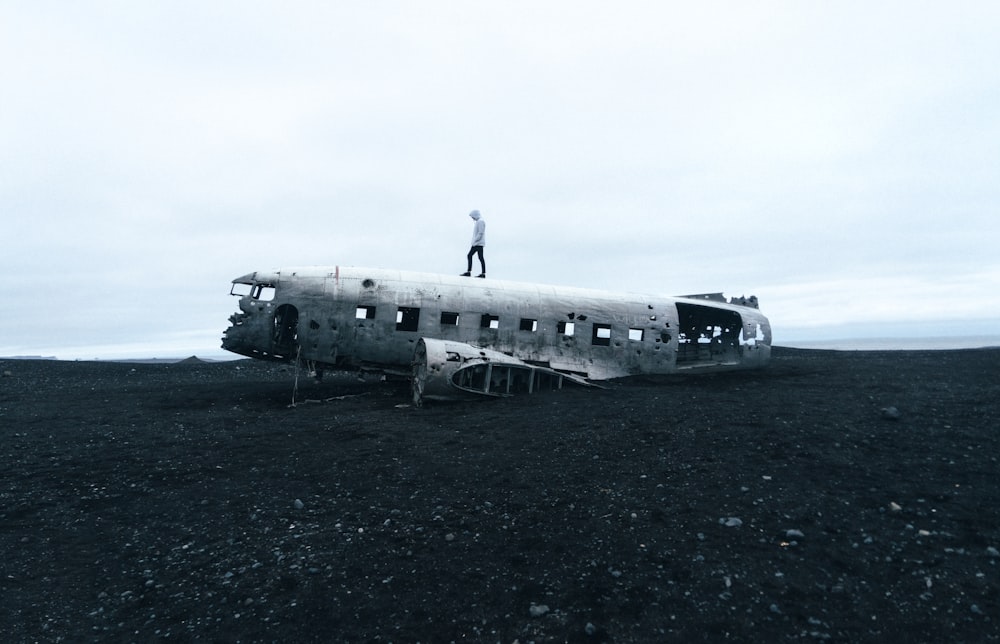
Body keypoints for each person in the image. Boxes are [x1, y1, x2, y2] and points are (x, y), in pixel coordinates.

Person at [461, 209, 486, 278]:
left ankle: (469, 272)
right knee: (480, 257)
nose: (472, 218)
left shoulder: (480, 221)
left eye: (472, 216)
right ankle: (483, 273)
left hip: (478, 243)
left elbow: (480, 233)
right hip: (478, 243)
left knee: (470, 255)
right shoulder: (479, 221)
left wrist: (474, 241)